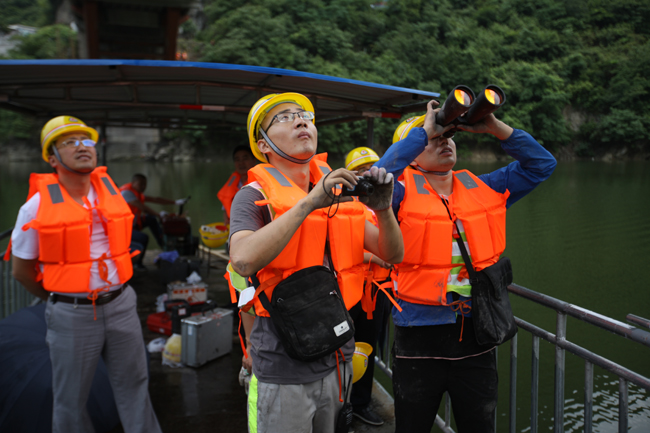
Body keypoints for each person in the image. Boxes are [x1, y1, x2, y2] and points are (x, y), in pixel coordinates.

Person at [376, 101, 557, 433]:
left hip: (476, 333)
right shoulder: (397, 193)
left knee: (479, 426)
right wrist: (422, 133)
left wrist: (495, 127)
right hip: (418, 335)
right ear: (412, 153)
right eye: (434, 138)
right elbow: (374, 181)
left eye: (448, 135)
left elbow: (542, 164)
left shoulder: (485, 187)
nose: (445, 141)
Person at [227, 92, 404, 433]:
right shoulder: (252, 196)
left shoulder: (340, 194)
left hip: (338, 354)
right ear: (263, 145)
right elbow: (243, 261)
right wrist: (309, 202)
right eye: (283, 118)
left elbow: (393, 255)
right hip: (283, 364)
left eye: (304, 115)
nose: (300, 121)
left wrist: (383, 210)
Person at [9, 115, 162, 433]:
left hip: (121, 304)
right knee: (70, 402)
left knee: (135, 386)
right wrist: (61, 298)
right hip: (72, 313)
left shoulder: (111, 192)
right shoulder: (35, 208)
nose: (82, 147)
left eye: (86, 140)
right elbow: (21, 271)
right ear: (52, 158)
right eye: (69, 142)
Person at [344, 146, 394, 426]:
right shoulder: (345, 205)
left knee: (369, 348)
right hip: (353, 289)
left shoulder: (383, 203)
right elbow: (342, 247)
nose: (366, 174)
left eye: (370, 169)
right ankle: (342, 404)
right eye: (360, 171)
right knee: (346, 348)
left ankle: (360, 403)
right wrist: (376, 256)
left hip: (380, 290)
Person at [120, 173, 187, 264]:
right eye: (141, 184)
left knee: (151, 219)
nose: (143, 187)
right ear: (133, 183)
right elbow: (143, 208)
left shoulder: (138, 193)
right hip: (123, 227)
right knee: (143, 238)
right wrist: (159, 215)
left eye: (145, 184)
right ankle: (138, 264)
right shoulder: (126, 193)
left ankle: (163, 244)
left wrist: (175, 202)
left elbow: (155, 199)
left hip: (133, 223)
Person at [217, 144, 257, 226]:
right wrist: (226, 218)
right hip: (234, 226)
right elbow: (226, 203)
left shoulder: (260, 182)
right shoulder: (234, 180)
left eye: (245, 159)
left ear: (253, 160)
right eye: (237, 160)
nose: (241, 163)